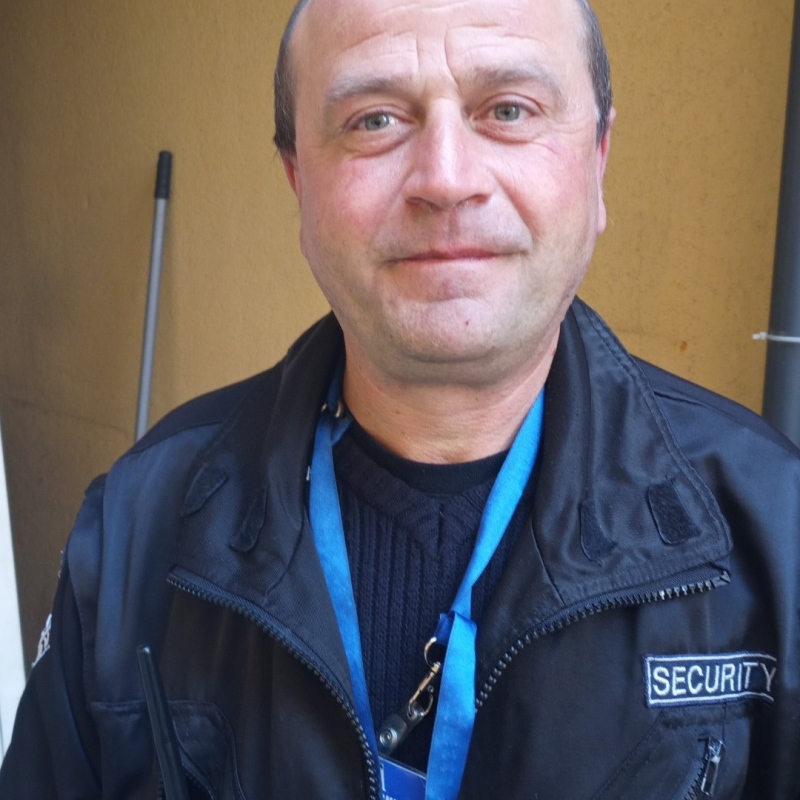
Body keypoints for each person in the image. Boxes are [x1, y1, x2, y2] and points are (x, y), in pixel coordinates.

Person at [2, 0, 799, 797]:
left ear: (597, 160)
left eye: (509, 110)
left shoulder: (777, 529)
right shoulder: (134, 530)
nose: (446, 180)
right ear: (298, 181)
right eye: (375, 120)